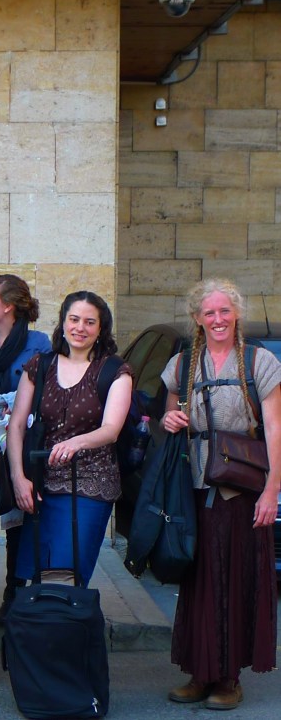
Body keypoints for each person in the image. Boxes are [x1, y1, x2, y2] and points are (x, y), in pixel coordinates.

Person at [160, 279, 280, 711]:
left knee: (234, 580)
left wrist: (272, 490)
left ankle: (229, 678)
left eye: (224, 311)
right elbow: (168, 416)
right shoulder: (183, 364)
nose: (217, 320)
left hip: (242, 489)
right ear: (197, 318)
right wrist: (170, 421)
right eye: (208, 313)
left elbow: (275, 428)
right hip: (192, 486)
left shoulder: (258, 361)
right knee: (199, 583)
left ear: (236, 314)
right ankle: (200, 671)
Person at [6, 291, 131, 587]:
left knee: (66, 577)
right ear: (63, 322)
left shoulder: (115, 370)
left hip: (89, 485)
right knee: (37, 574)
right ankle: (42, 631)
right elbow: (17, 425)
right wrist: (18, 477)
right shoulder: (41, 365)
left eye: (90, 322)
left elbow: (111, 429)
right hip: (41, 484)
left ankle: (65, 630)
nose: (80, 328)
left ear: (101, 328)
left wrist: (74, 444)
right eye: (74, 319)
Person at [0, 274, 52, 624]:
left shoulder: (39, 344)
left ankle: (15, 592)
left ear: (8, 306)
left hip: (24, 442)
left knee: (21, 518)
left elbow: (48, 393)